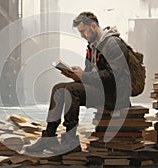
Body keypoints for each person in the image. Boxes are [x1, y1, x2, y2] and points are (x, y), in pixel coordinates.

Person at [25, 12, 131, 154]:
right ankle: (48, 137)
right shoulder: (92, 46)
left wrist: (84, 76)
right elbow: (90, 75)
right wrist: (76, 76)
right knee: (59, 88)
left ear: (93, 26)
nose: (82, 35)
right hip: (101, 90)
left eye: (83, 31)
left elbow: (114, 78)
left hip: (115, 95)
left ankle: (71, 142)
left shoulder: (113, 44)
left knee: (70, 91)